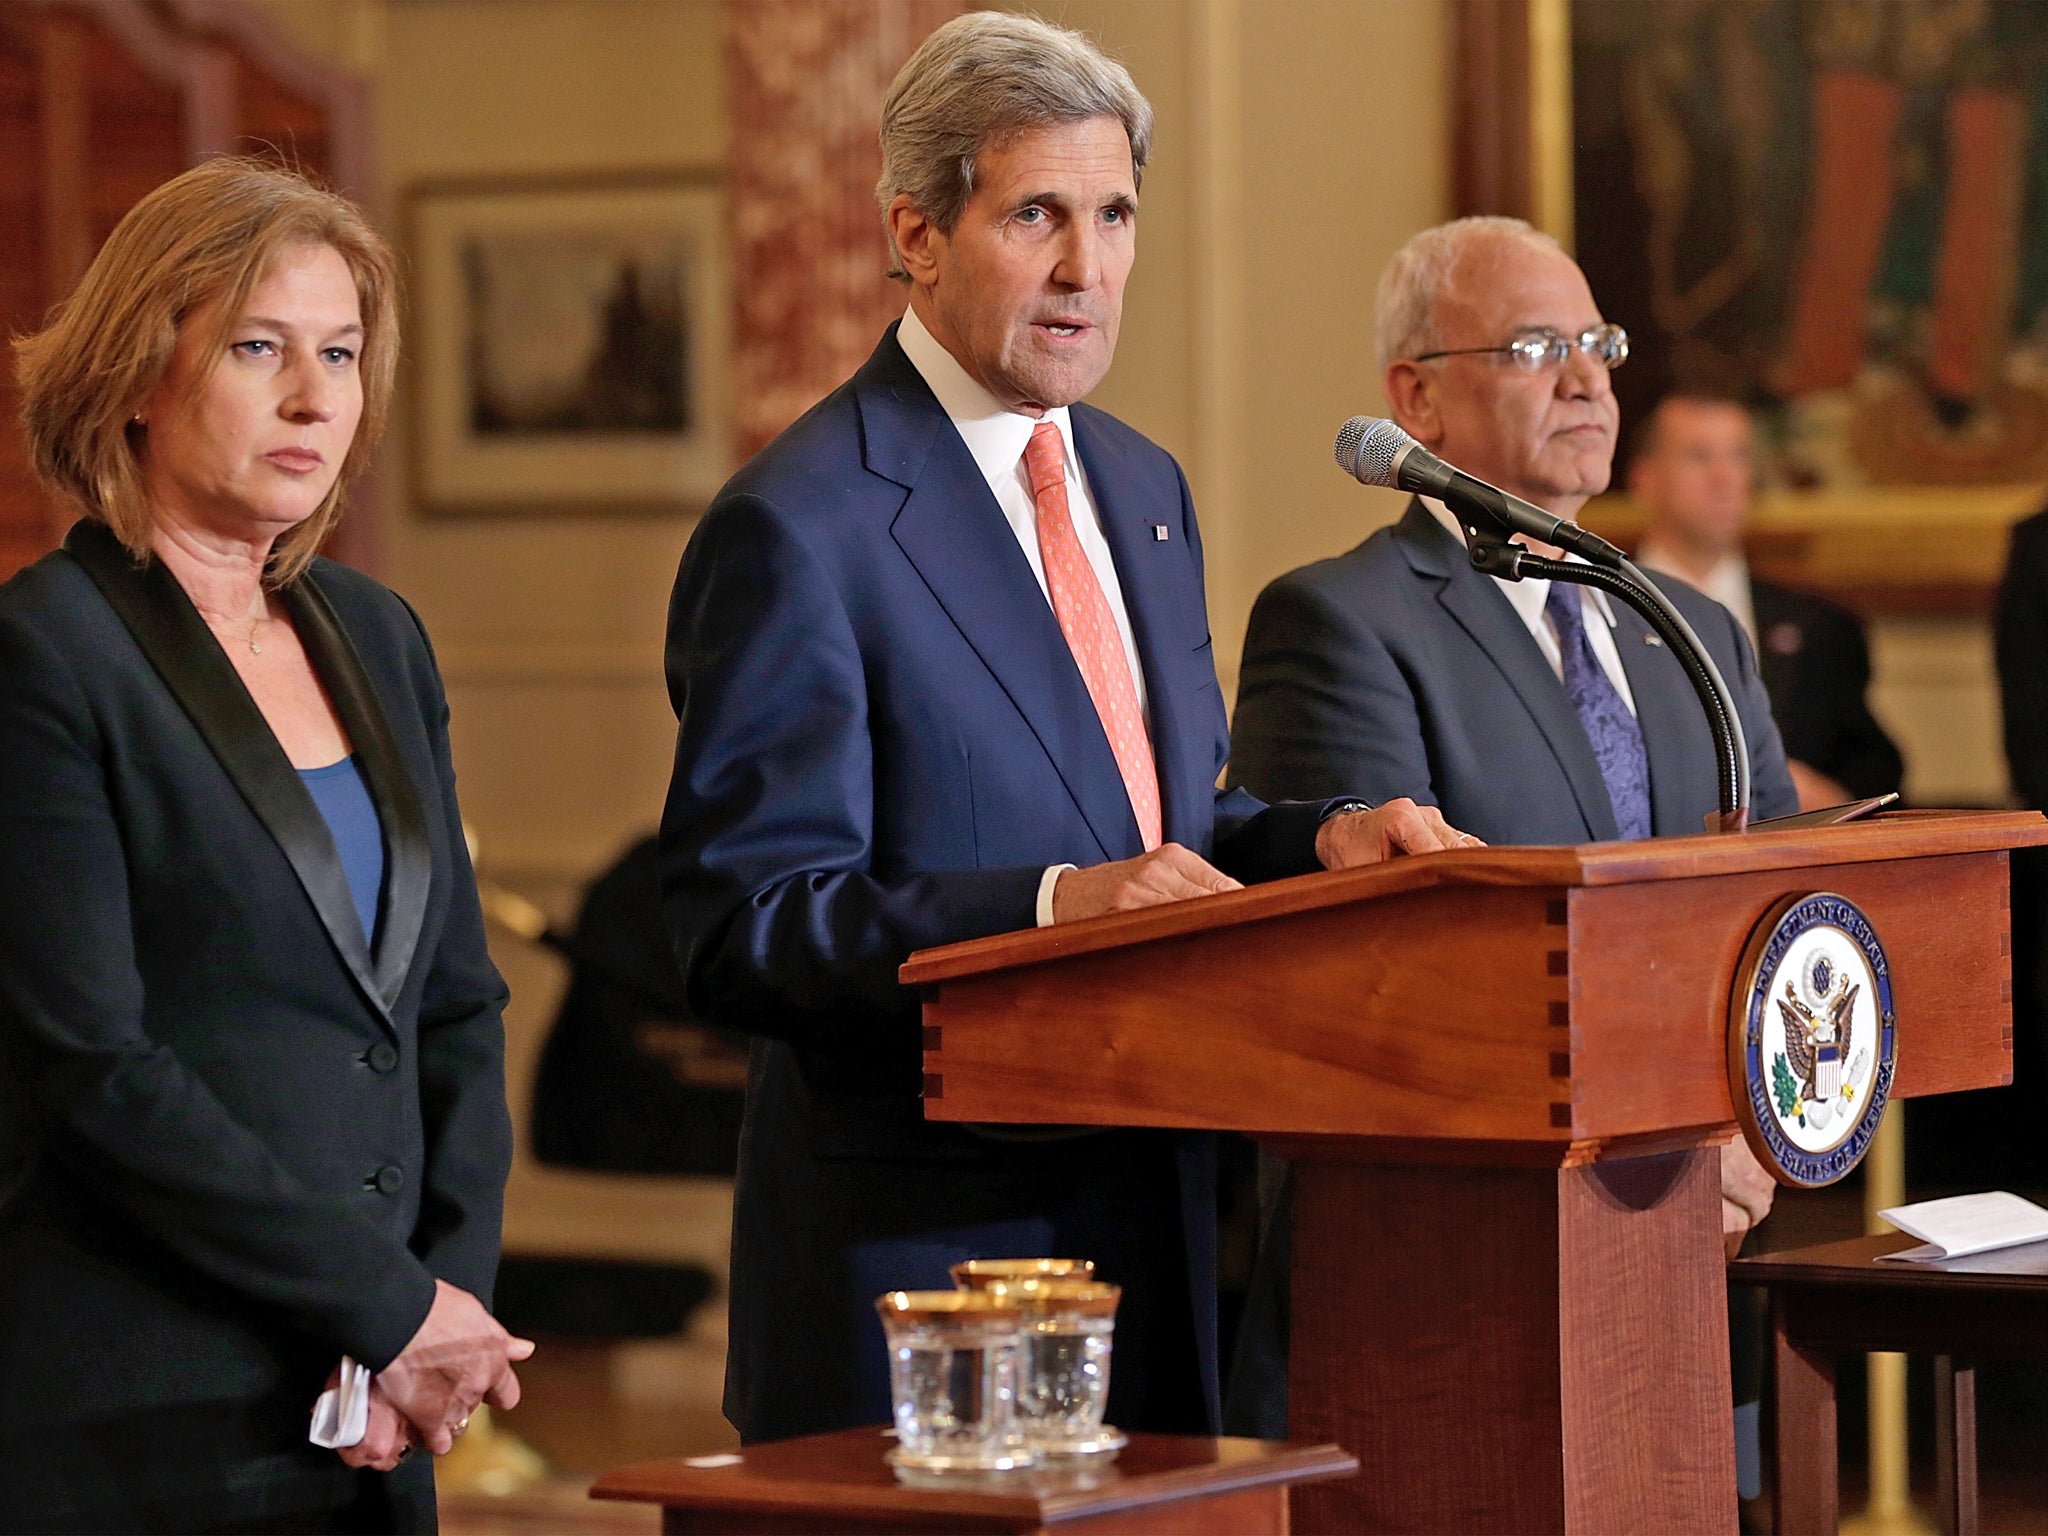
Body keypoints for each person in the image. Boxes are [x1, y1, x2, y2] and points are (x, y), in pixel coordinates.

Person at [659, 11, 1472, 1447]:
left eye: (1113, 216)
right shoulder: (802, 524)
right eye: (1036, 214)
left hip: (1155, 1228)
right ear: (916, 232)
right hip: (928, 1275)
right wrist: (1052, 909)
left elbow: (1165, 830)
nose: (1087, 270)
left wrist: (1324, 839)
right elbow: (748, 924)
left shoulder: (1139, 486)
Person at [0, 158, 526, 1533]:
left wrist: (443, 1317)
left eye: (341, 354)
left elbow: (455, 1006)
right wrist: (390, 1303)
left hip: (377, 1403)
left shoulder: (379, 635)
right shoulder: (47, 653)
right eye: (258, 348)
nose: (314, 398)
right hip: (146, 1402)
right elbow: (91, 1063)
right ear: (132, 375)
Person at [1225, 216, 1795, 1456]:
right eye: (1539, 345)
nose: (1589, 378)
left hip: (1700, 1257)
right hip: (1444, 1295)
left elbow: (1784, 920)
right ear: (1413, 397)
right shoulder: (1339, 624)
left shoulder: (1690, 626)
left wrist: (1748, 1139)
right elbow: (1386, 975)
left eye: (1597, 342)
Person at [1631, 393, 1903, 809]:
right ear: (1645, 479)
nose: (1724, 479)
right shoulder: (1587, 605)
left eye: (1739, 457)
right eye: (1699, 457)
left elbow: (1875, 770)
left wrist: (1830, 798)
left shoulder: (1820, 627)